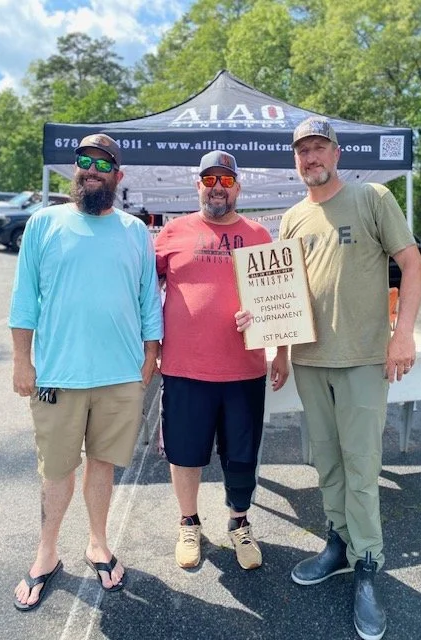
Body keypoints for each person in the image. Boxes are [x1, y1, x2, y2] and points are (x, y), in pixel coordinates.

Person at [280, 118, 421, 640]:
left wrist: (402, 334)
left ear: (335, 153)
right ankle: (338, 544)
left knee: (362, 466)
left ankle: (368, 562)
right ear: (295, 160)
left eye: (318, 147)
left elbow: (412, 264)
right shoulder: (293, 218)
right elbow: (282, 294)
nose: (310, 157)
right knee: (327, 462)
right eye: (302, 151)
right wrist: (276, 347)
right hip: (310, 361)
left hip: (364, 358)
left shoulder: (371, 199)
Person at [10, 133, 163, 611]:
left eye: (103, 163)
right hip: (57, 375)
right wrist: (21, 359)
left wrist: (150, 355)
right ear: (74, 168)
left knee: (102, 466)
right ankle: (47, 552)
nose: (91, 169)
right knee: (56, 471)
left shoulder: (136, 231)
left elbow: (147, 301)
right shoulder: (43, 223)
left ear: (118, 176)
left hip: (119, 376)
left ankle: (97, 542)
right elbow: (23, 300)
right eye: (83, 160)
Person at [154, 151, 289, 571]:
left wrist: (281, 350)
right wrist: (145, 348)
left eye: (226, 181)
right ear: (198, 185)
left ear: (238, 188)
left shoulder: (259, 235)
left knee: (242, 455)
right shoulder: (173, 232)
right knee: (185, 453)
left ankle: (240, 523)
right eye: (210, 179)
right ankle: (189, 522)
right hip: (184, 368)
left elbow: (281, 299)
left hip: (244, 369)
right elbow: (142, 293)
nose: (217, 187)